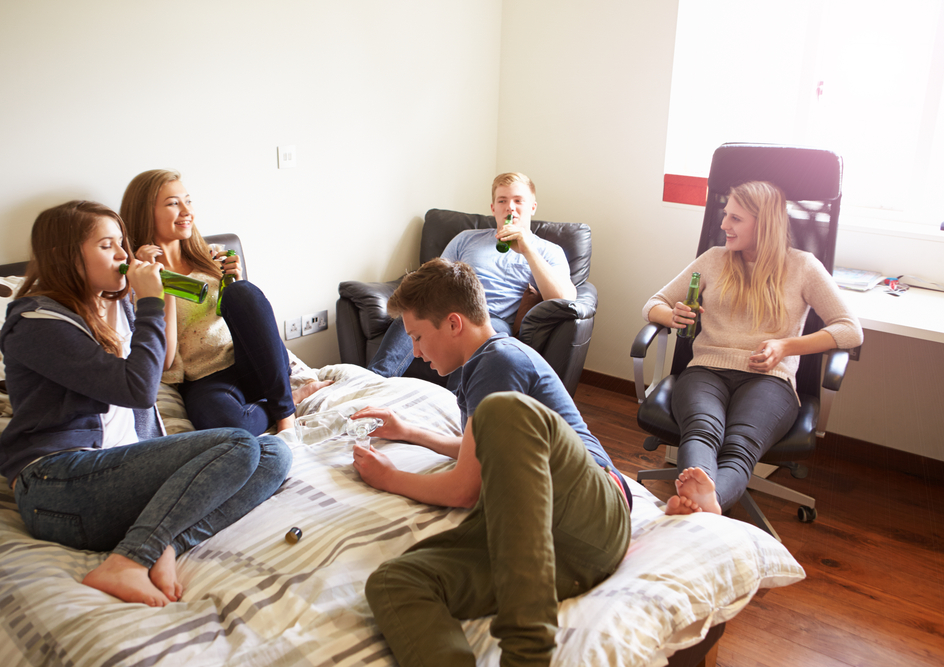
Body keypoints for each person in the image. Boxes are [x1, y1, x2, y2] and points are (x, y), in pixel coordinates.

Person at [0, 200, 294, 607]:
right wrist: (148, 303)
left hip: (122, 475)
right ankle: (128, 561)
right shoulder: (36, 322)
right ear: (63, 256)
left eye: (122, 243)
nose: (123, 255)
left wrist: (160, 293)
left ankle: (164, 543)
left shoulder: (114, 302)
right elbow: (137, 389)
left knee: (274, 453)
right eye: (107, 246)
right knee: (239, 444)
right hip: (57, 487)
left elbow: (163, 361)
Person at [352, 258, 631, 667]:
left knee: (502, 411)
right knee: (394, 582)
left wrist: (389, 477)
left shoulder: (499, 359)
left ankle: (526, 654)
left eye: (417, 336)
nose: (415, 352)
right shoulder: (477, 371)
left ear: (453, 323)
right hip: (559, 544)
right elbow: (482, 452)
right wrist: (409, 431)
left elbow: (464, 489)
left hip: (594, 511)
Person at [642, 181, 863, 516]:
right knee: (701, 430)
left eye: (735, 218)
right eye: (725, 215)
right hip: (706, 371)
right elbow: (653, 304)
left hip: (770, 379)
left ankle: (703, 504)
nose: (723, 225)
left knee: (740, 445)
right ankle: (707, 506)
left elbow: (850, 330)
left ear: (765, 224)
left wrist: (786, 346)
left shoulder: (803, 267)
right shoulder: (714, 259)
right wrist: (670, 315)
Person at [120, 169, 329, 434]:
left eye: (188, 201)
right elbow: (166, 360)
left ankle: (285, 413)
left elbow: (252, 318)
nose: (187, 211)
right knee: (227, 425)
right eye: (173, 203)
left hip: (250, 362)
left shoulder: (211, 257)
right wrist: (163, 284)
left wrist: (235, 281)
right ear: (145, 213)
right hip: (204, 378)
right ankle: (293, 397)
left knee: (241, 292)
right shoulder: (138, 279)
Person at [367, 172, 576, 385]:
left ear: (532, 207)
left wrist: (527, 250)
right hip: (449, 310)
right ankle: (373, 383)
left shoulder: (548, 251)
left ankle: (455, 401)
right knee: (412, 313)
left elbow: (564, 299)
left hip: (493, 321)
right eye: (502, 201)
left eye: (518, 201)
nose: (510, 208)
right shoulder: (466, 239)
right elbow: (433, 280)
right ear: (493, 208)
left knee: (472, 333)